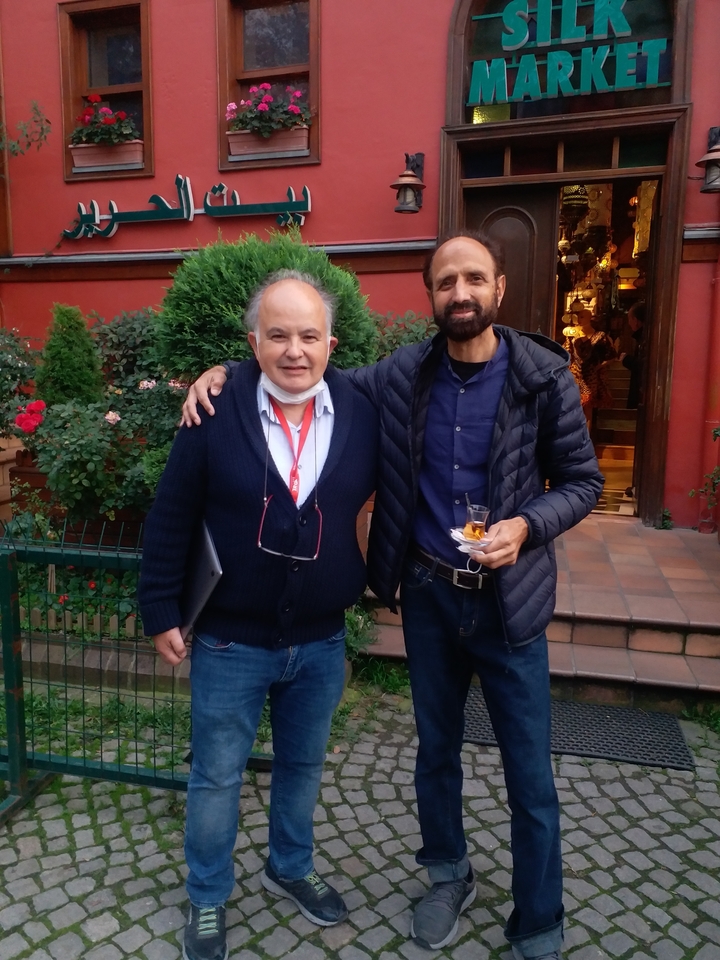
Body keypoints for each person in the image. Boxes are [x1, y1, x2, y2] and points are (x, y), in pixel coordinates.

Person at [182, 232, 604, 960]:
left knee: (529, 771)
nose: (461, 293)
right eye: (447, 282)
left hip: (512, 603)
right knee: (434, 752)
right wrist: (223, 372)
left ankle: (539, 918)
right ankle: (448, 876)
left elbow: (583, 482)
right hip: (432, 596)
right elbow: (300, 367)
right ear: (432, 296)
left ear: (499, 289)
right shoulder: (401, 376)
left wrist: (529, 526)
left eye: (475, 279)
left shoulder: (544, 378)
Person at [139, 270, 378, 960]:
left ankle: (290, 865)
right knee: (217, 776)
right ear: (254, 342)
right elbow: (171, 517)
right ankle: (208, 897)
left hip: (321, 640)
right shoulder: (215, 410)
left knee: (303, 766)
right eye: (278, 334)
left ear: (332, 343)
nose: (294, 350)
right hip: (228, 642)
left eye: (308, 335)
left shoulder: (361, 410)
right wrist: (160, 610)